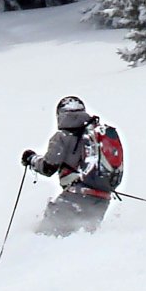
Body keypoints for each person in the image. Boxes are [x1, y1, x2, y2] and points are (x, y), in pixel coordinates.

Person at [21, 96, 112, 236]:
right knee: (82, 241)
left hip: (74, 198)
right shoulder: (96, 134)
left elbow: (48, 167)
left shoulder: (62, 137)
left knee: (44, 237)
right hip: (102, 200)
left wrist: (32, 159)